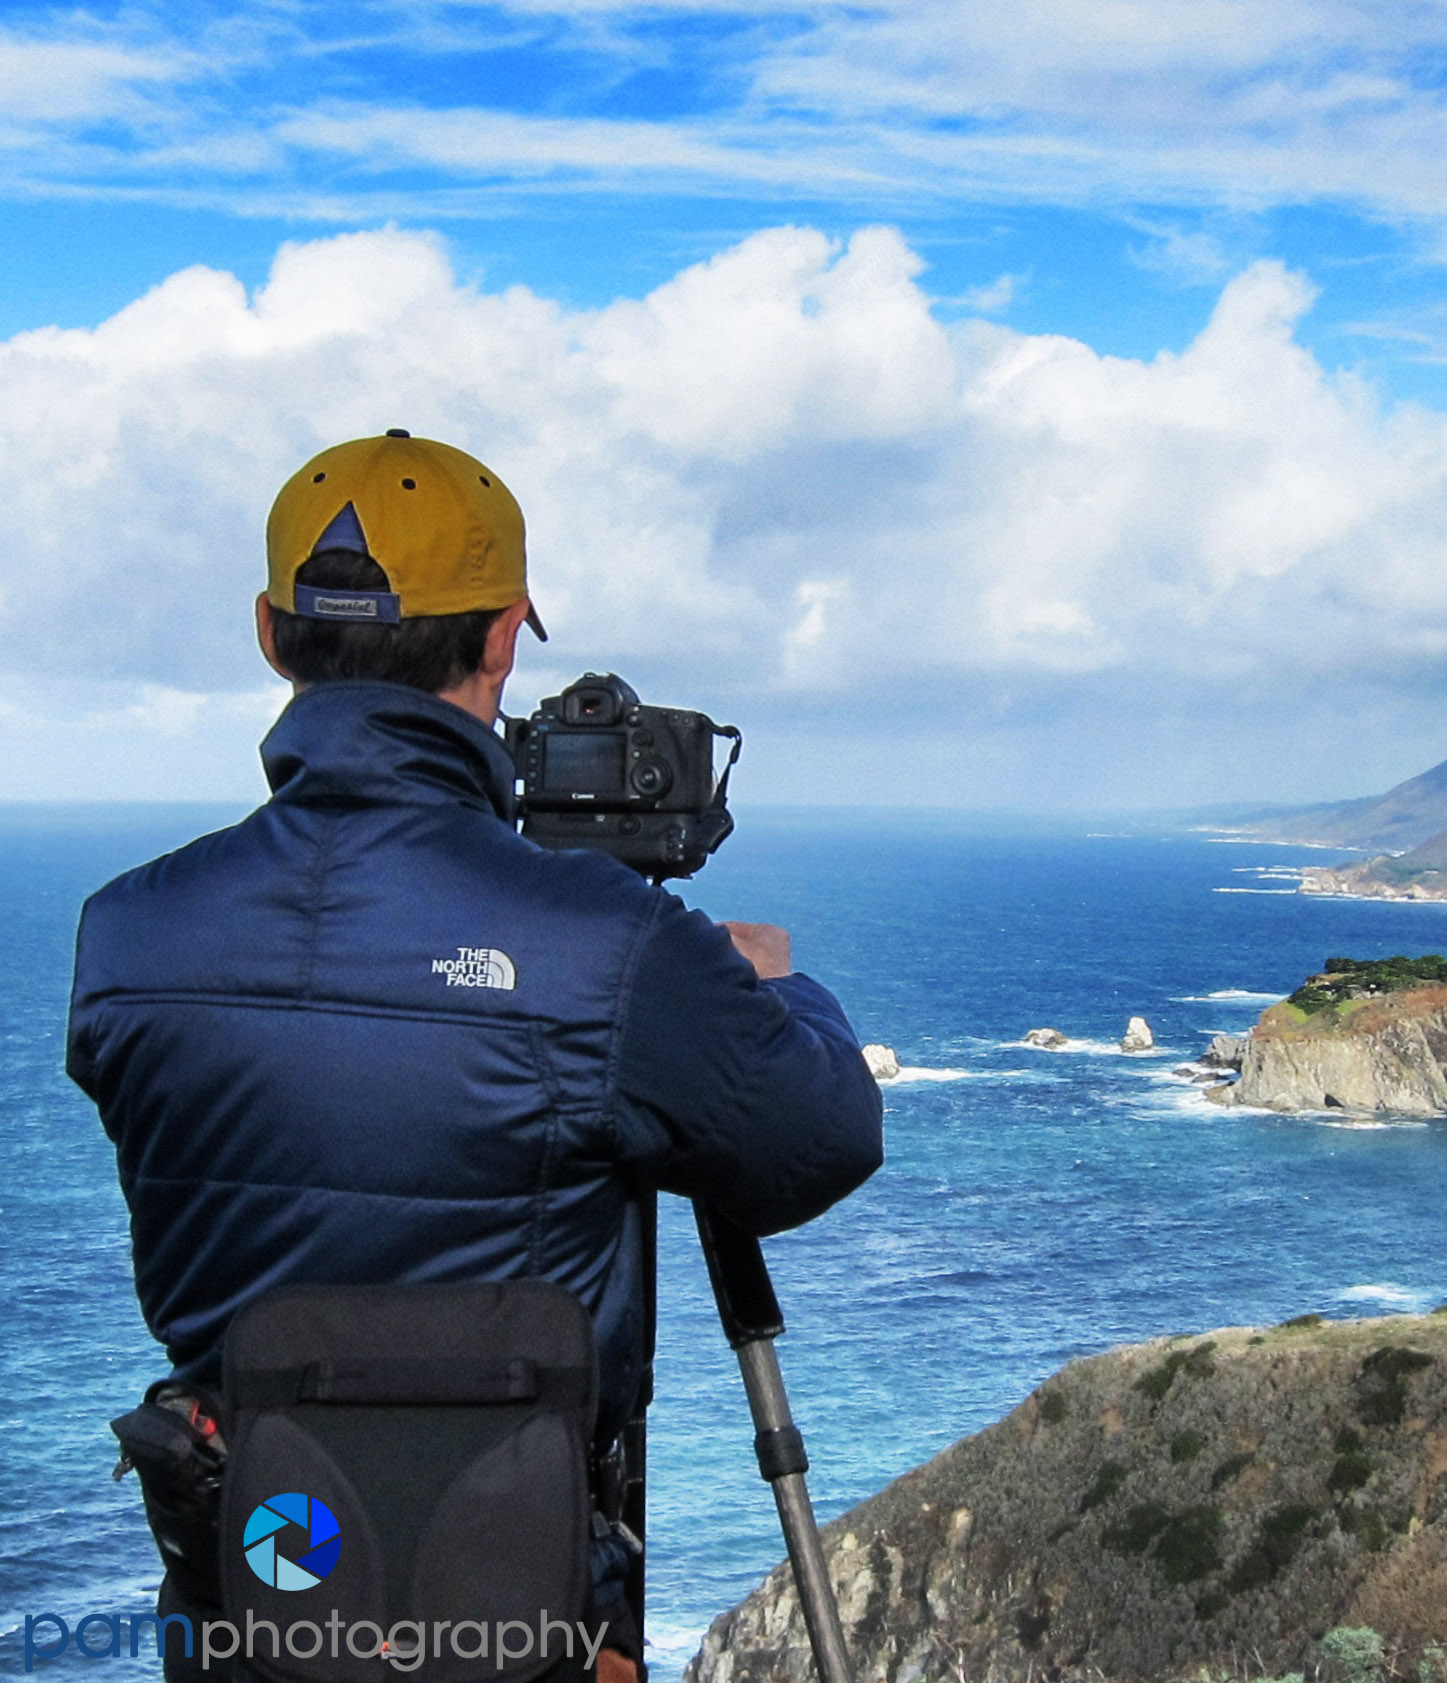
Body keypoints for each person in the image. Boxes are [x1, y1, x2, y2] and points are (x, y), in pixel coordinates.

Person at [68, 430, 884, 1681]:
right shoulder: (609, 950)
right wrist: (773, 985)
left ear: (270, 632)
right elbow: (820, 1140)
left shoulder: (126, 936)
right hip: (528, 1615)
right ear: (503, 636)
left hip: (258, 1594)